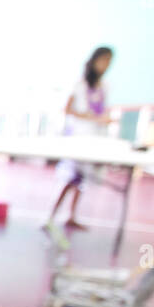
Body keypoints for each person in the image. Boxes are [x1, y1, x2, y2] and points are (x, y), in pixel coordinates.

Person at [46, 46, 113, 236]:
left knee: (81, 181)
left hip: (95, 137)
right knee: (69, 178)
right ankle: (50, 216)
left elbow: (101, 110)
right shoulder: (79, 83)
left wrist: (101, 120)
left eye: (108, 61)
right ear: (94, 60)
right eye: (103, 60)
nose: (105, 65)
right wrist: (88, 117)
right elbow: (67, 109)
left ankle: (71, 215)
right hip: (78, 136)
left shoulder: (104, 85)